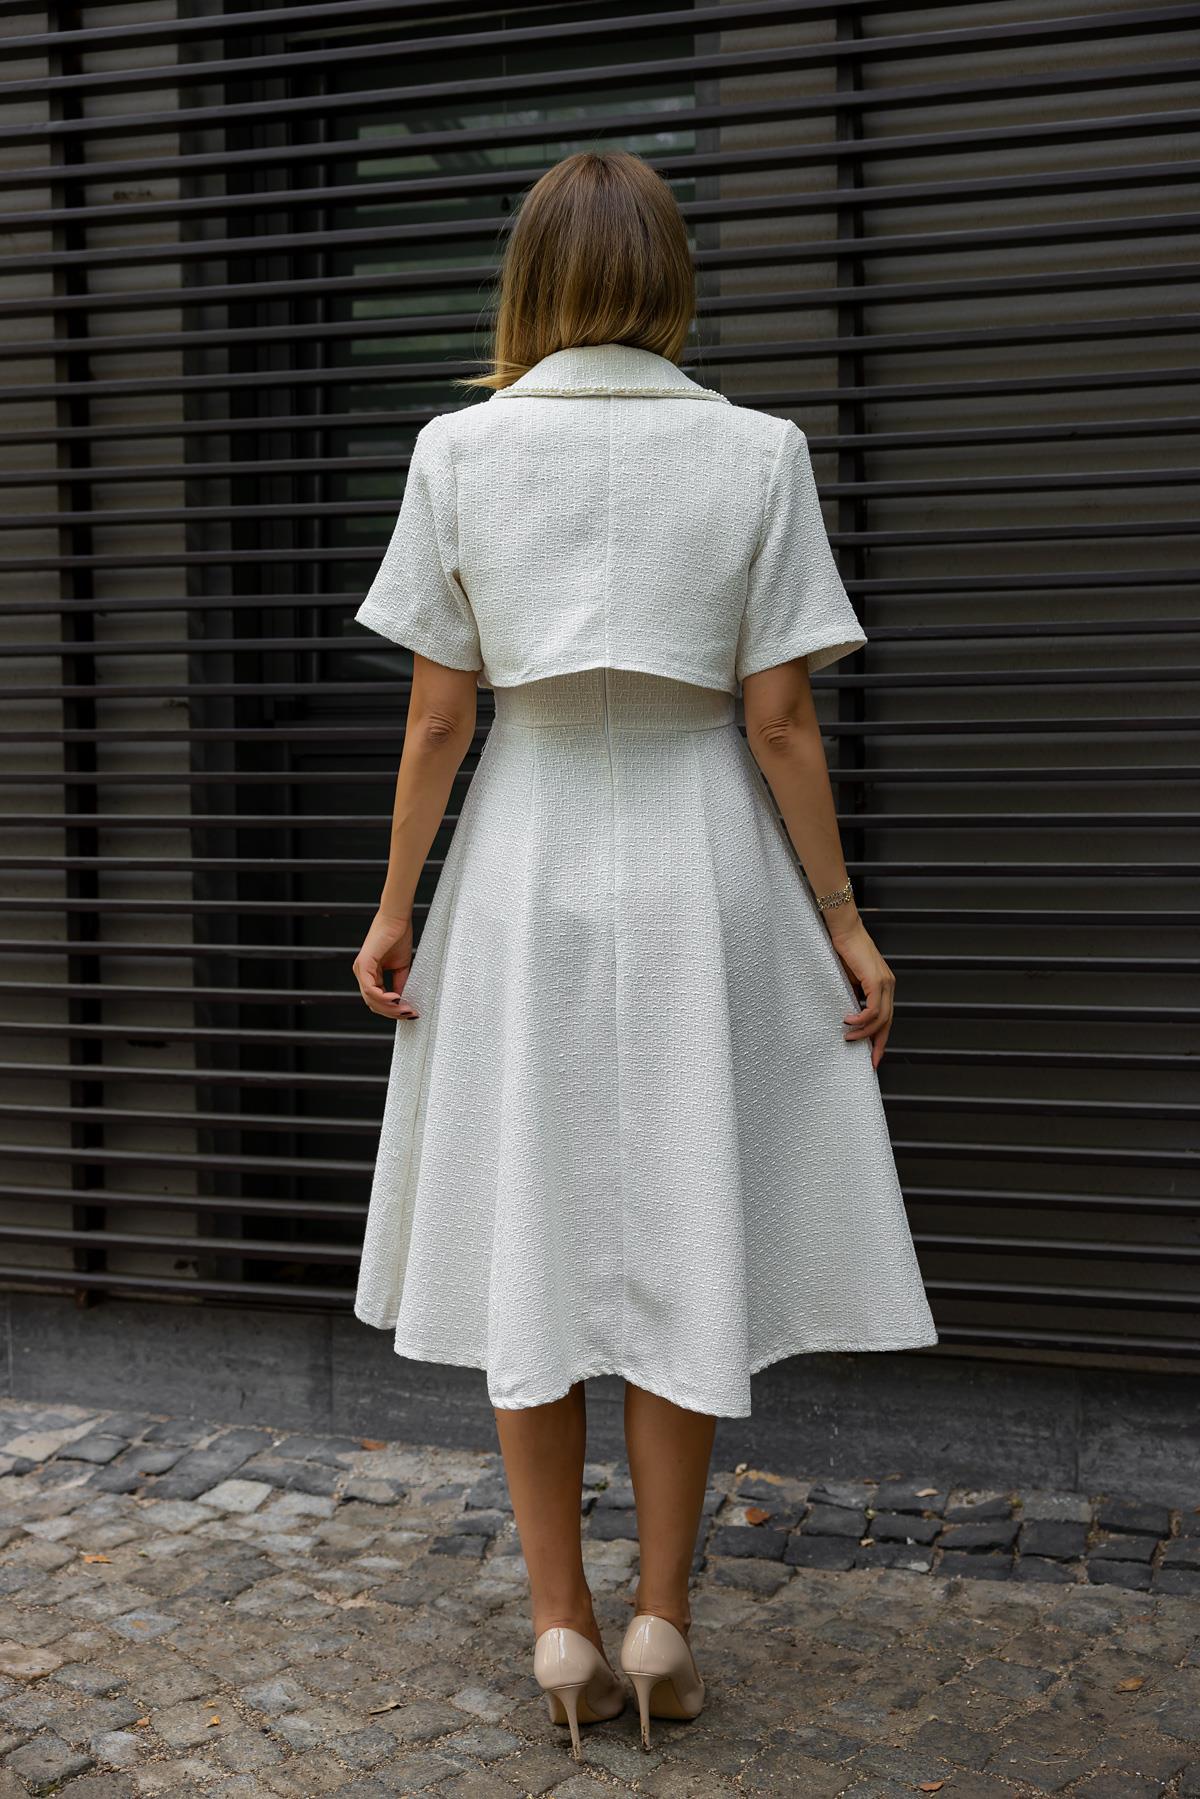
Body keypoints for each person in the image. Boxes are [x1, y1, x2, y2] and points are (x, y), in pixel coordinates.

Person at [350, 149, 938, 1762]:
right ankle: (663, 1616)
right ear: (671, 279)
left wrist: (396, 904)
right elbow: (780, 718)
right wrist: (844, 920)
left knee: (529, 1225)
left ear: (529, 281)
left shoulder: (459, 448)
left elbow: (440, 718)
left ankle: (561, 1624)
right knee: (684, 1212)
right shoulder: (756, 452)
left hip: (525, 855)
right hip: (701, 861)